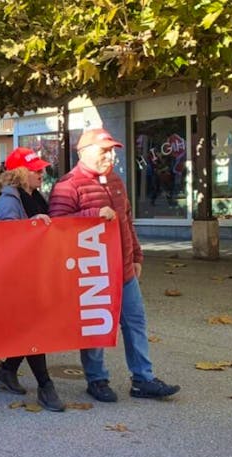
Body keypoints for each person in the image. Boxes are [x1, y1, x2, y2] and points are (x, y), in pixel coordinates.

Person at [49, 128, 181, 402]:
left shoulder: (115, 181)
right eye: (104, 151)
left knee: (135, 322)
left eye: (112, 151)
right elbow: (57, 227)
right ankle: (96, 380)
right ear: (84, 152)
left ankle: (143, 379)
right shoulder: (67, 185)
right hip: (91, 270)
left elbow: (126, 222)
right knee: (96, 325)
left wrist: (136, 256)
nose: (110, 157)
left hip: (124, 268)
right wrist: (92, 214)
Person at [0, 148, 64, 412]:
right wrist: (31, 225)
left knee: (29, 327)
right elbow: (6, 240)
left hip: (36, 272)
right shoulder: (8, 201)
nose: (41, 173)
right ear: (20, 173)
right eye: (35, 170)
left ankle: (8, 369)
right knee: (33, 329)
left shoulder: (34, 196)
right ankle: (45, 385)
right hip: (19, 277)